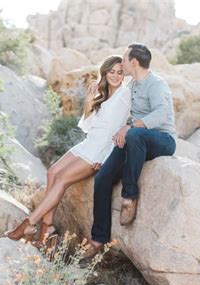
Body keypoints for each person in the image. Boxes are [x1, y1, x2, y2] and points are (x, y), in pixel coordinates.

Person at [4, 55, 131, 248]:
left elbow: (116, 130)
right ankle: (48, 227)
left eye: (119, 72)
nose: (115, 76)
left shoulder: (124, 95)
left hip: (98, 150)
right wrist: (89, 101)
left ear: (124, 75)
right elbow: (88, 126)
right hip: (88, 143)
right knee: (52, 172)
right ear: (104, 72)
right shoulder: (104, 94)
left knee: (62, 179)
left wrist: (104, 157)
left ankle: (29, 224)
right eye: (111, 71)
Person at [84, 43, 177, 258]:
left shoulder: (157, 84)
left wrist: (130, 126)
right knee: (103, 178)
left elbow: (162, 114)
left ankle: (129, 196)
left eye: (124, 60)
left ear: (134, 62)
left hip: (162, 140)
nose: (122, 63)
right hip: (136, 139)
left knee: (134, 134)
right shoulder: (134, 84)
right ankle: (98, 240)